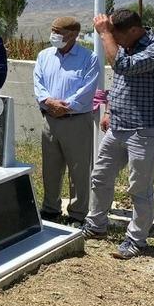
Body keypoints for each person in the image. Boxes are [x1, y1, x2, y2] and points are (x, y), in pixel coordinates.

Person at [83, 9, 154, 259]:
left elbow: (124, 67)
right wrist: (110, 111)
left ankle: (136, 240)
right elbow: (120, 83)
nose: (115, 40)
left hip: (146, 130)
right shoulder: (125, 42)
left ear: (134, 30)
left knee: (139, 188)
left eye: (117, 35)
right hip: (119, 126)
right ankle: (96, 225)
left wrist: (104, 33)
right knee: (100, 176)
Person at [33, 17, 100, 226]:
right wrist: (48, 101)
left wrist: (66, 107)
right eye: (52, 30)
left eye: (58, 31)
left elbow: (87, 89)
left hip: (76, 121)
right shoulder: (44, 56)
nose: (53, 34)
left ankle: (77, 213)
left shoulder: (89, 58)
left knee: (78, 169)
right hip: (50, 120)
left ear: (72, 35)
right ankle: (51, 208)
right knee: (51, 167)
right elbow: (38, 82)